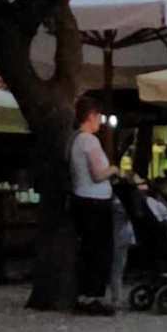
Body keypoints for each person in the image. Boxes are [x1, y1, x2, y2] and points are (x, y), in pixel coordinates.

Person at [68, 95, 118, 315]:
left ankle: (85, 295)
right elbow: (98, 174)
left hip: (82, 199)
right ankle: (94, 296)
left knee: (88, 249)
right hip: (95, 202)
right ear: (91, 116)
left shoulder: (75, 140)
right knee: (99, 250)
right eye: (99, 116)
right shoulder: (89, 141)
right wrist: (114, 169)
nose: (100, 121)